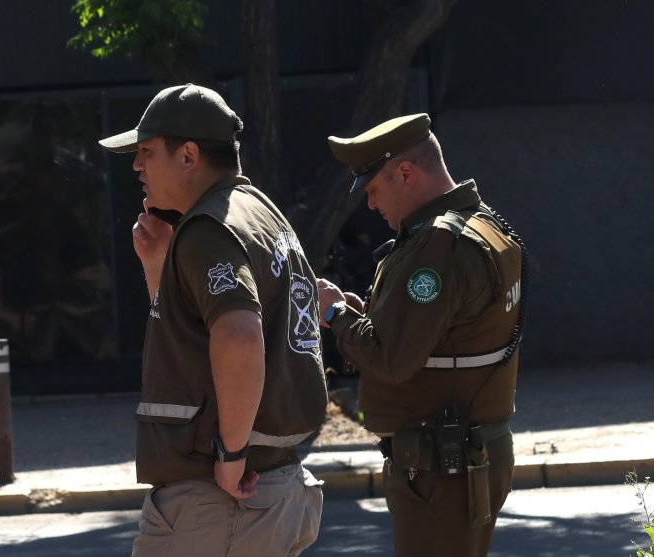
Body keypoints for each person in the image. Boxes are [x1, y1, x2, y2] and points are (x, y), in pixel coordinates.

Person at [98, 83, 329, 557]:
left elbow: (240, 337)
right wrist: (159, 268)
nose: (137, 165)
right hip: (273, 489)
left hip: (220, 501)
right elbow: (198, 338)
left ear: (188, 155)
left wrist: (231, 455)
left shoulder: (207, 228)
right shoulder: (262, 213)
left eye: (146, 152)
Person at [316, 113, 525, 557]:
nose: (370, 204)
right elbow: (442, 334)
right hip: (463, 453)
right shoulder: (480, 223)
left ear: (407, 173)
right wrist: (364, 318)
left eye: (373, 189)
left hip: (441, 465)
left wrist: (333, 313)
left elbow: (392, 358)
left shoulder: (438, 244)